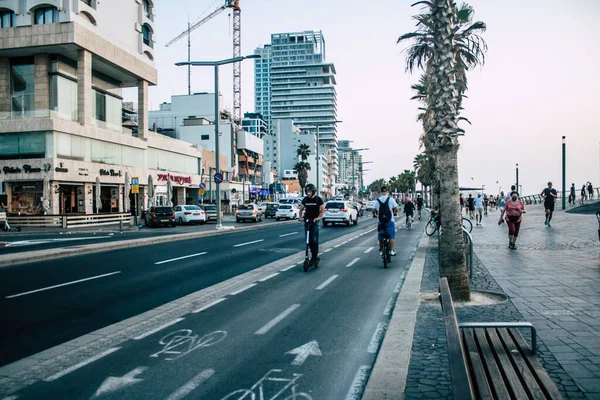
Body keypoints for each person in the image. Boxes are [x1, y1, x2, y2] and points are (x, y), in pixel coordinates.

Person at [298, 183, 325, 266]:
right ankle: (310, 254)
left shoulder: (318, 199)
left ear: (313, 192)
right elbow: (301, 209)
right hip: (307, 221)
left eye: (310, 191)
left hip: (314, 221)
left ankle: (314, 257)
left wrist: (318, 217)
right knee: (308, 240)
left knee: (314, 240)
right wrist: (300, 217)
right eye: (307, 191)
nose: (308, 193)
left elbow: (323, 209)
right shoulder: (305, 200)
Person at [372, 186, 399, 256]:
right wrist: (395, 213)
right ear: (387, 192)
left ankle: (381, 250)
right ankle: (392, 250)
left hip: (380, 221)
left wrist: (374, 214)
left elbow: (373, 210)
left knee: (380, 236)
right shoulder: (391, 199)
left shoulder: (377, 200)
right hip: (390, 221)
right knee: (391, 236)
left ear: (381, 192)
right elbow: (396, 208)